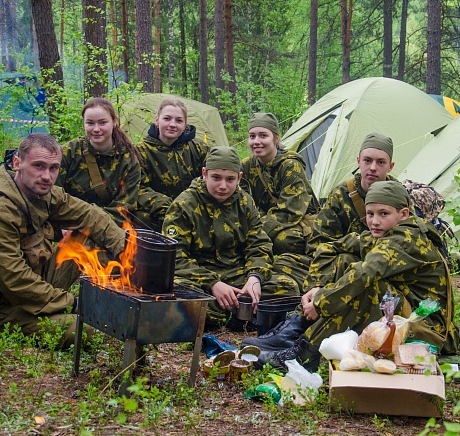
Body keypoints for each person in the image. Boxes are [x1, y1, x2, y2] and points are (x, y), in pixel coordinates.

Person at [252, 180, 459, 372]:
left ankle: (304, 354)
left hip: (425, 329)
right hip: (409, 316)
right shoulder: (392, 231)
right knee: (346, 261)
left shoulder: (404, 239)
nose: (375, 221)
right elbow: (334, 246)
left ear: (403, 214)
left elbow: (365, 274)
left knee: (367, 285)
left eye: (383, 214)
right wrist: (317, 287)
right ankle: (301, 333)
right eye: (370, 214)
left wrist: (321, 302)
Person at [0, 133, 126, 349]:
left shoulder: (41, 191)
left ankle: (125, 292)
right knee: (85, 329)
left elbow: (91, 215)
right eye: (38, 166)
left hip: (38, 280)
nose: (47, 176)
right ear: (17, 163)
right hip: (0, 305)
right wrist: (73, 304)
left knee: (87, 237)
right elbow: (16, 283)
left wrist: (129, 254)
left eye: (53, 168)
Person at [162, 146, 300, 326]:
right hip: (200, 278)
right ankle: (239, 313)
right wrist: (213, 283)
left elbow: (258, 245)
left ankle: (233, 311)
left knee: (287, 287)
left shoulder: (244, 202)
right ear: (204, 174)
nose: (223, 186)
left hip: (237, 274)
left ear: (239, 178)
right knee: (179, 293)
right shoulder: (184, 205)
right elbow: (174, 256)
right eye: (216, 178)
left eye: (230, 179)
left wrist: (254, 278)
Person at [241, 112, 320, 255]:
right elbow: (240, 200)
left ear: (275, 139)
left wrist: (255, 231)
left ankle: (298, 262)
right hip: (268, 218)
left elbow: (290, 211)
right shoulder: (247, 165)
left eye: (263, 136)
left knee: (283, 240)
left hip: (299, 220)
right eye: (252, 136)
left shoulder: (290, 166)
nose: (256, 141)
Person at [56, 97, 142, 227]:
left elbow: (125, 207)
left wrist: (89, 224)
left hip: (110, 226)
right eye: (90, 123)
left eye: (102, 123)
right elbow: (54, 194)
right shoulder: (69, 152)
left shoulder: (128, 159)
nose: (96, 129)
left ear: (114, 122)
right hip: (70, 223)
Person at [309, 132, 396, 249]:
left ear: (390, 166)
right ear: (358, 161)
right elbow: (319, 243)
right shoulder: (340, 195)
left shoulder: (398, 196)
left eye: (380, 162)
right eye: (367, 160)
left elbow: (410, 237)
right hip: (346, 260)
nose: (373, 168)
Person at [135, 97, 209, 229]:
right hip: (160, 212)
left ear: (185, 125)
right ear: (157, 120)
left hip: (194, 208)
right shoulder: (141, 151)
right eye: (167, 119)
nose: (172, 124)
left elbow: (211, 177)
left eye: (179, 120)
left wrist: (190, 202)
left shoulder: (198, 148)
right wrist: (170, 206)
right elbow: (138, 188)